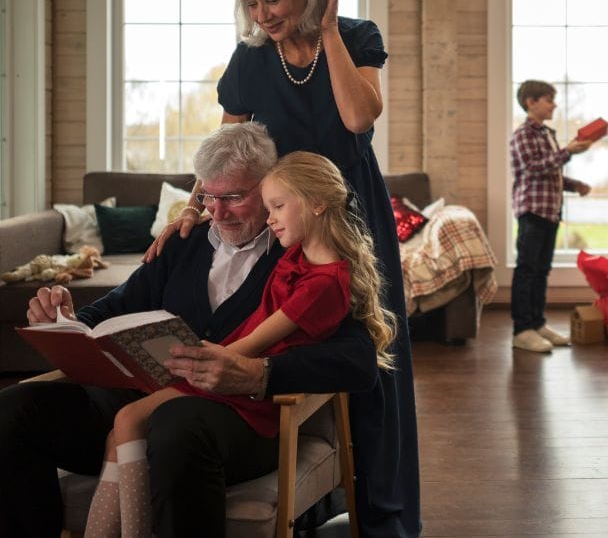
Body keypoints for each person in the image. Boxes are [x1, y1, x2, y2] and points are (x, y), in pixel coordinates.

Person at [145, 0, 421, 536]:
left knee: (370, 357)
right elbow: (225, 151)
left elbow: (357, 118)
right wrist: (192, 209)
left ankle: (380, 513)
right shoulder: (247, 59)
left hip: (351, 220)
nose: (263, 13)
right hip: (283, 223)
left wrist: (328, 30)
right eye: (251, 3)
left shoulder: (355, 34)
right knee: (297, 350)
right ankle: (307, 500)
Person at [0, 123, 380, 538]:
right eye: (208, 197)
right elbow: (115, 309)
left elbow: (359, 361)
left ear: (270, 187)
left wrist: (260, 373)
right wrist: (65, 322)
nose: (217, 212)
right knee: (15, 408)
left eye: (234, 197)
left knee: (174, 426)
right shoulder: (181, 243)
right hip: (144, 397)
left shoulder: (301, 253)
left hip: (233, 419)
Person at [509, 80, 594, 353]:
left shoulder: (546, 133)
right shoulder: (523, 134)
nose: (554, 104)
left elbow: (550, 171)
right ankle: (522, 330)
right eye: (548, 99)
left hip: (550, 212)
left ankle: (537, 323)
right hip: (532, 211)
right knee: (527, 270)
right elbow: (533, 169)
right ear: (531, 102)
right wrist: (568, 151)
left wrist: (573, 184)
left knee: (542, 271)